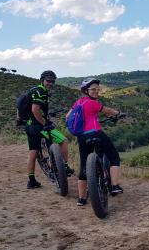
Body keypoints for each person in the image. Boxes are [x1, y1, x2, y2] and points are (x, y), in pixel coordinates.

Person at [67, 77, 123, 206]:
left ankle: (81, 199)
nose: (96, 91)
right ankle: (114, 185)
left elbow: (67, 117)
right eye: (93, 89)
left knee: (84, 166)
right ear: (86, 90)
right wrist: (118, 113)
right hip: (96, 132)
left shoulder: (78, 102)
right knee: (114, 157)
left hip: (82, 136)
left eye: (97, 89)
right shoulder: (93, 103)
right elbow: (107, 111)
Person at [25, 70, 74, 189]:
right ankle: (64, 167)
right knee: (63, 141)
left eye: (52, 81)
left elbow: (22, 106)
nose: (50, 83)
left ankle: (31, 180)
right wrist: (44, 123)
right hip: (39, 127)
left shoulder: (33, 90)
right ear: (42, 80)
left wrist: (19, 119)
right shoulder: (41, 92)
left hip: (29, 126)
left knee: (33, 153)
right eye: (48, 81)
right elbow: (35, 110)